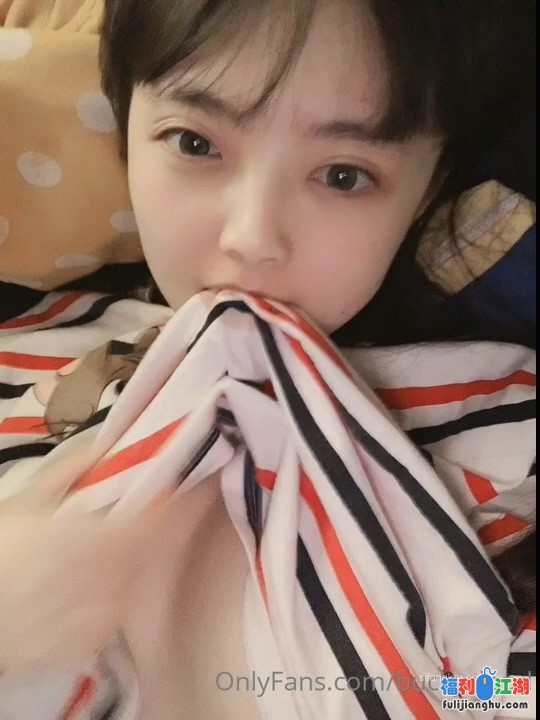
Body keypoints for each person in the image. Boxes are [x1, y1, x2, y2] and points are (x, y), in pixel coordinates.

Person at [0, 1, 535, 719]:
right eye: (194, 143)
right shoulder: (34, 346)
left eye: (343, 176)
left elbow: (509, 694)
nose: (252, 236)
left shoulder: (497, 427)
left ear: (425, 195)